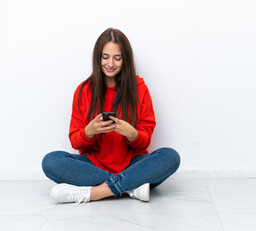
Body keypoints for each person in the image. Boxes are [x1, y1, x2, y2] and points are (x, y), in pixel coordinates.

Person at [42, 28, 180, 204]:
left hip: (132, 163)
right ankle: (131, 187)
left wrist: (132, 133)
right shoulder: (83, 90)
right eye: (105, 57)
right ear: (98, 58)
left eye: (117, 58)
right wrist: (89, 132)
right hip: (94, 165)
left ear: (125, 60)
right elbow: (75, 141)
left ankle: (96, 192)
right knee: (51, 161)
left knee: (170, 157)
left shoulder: (140, 89)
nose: (110, 63)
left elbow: (145, 141)